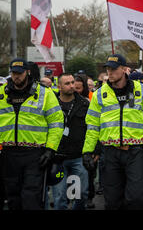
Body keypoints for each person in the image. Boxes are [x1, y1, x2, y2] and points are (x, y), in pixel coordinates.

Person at [82, 54, 143, 210]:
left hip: (135, 152)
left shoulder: (142, 91)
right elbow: (92, 126)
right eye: (107, 69)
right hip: (110, 153)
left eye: (113, 69)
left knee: (137, 199)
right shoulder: (99, 94)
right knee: (112, 201)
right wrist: (87, 151)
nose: (109, 72)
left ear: (125, 69)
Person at [0, 58, 64, 210]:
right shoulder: (2, 93)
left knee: (31, 197)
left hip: (35, 155)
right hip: (8, 154)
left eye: (20, 73)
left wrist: (50, 149)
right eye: (14, 73)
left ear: (27, 72)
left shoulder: (45, 93)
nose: (17, 77)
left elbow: (56, 123)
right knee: (13, 197)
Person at [51, 73, 90, 210]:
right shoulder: (51, 103)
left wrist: (93, 150)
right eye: (67, 83)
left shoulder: (84, 104)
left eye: (73, 82)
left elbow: (92, 128)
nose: (72, 86)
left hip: (78, 157)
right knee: (59, 196)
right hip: (57, 157)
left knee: (80, 194)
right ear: (59, 86)